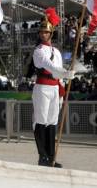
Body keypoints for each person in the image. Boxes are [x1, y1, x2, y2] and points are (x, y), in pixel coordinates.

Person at [31, 9, 73, 167]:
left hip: (55, 87)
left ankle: (51, 157)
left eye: (47, 32)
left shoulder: (57, 52)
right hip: (43, 87)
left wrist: (62, 89)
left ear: (51, 34)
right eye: (42, 32)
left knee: (52, 122)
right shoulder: (38, 51)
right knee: (41, 121)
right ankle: (42, 156)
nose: (44, 35)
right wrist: (64, 72)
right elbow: (48, 65)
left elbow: (59, 74)